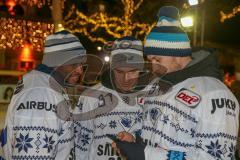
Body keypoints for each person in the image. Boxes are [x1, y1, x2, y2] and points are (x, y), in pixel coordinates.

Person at [113, 6, 239, 160]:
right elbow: (152, 132)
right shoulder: (157, 86)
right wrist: (134, 140)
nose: (152, 66)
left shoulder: (215, 95)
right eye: (150, 60)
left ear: (177, 55)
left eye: (157, 60)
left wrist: (146, 154)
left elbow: (216, 157)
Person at [0, 30, 86, 160]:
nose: (80, 70)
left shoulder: (45, 85)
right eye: (74, 64)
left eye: (81, 64)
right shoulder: (42, 94)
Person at [74, 36, 145, 160]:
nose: (126, 79)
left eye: (133, 71)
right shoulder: (91, 96)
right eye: (120, 72)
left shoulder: (153, 97)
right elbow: (79, 145)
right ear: (111, 69)